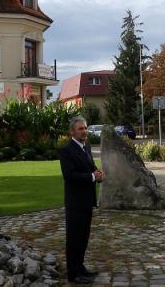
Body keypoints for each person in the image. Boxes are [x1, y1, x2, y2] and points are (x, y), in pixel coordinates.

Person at [59, 116, 104, 284]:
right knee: (74, 239)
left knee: (83, 237)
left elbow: (91, 168)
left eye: (85, 128)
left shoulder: (86, 148)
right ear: (72, 131)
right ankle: (73, 273)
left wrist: (98, 175)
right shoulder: (66, 151)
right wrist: (92, 176)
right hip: (75, 202)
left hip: (87, 201)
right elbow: (69, 176)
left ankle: (80, 267)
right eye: (80, 129)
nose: (84, 131)